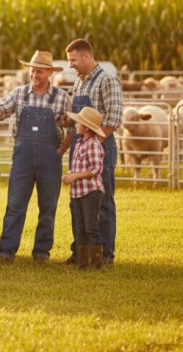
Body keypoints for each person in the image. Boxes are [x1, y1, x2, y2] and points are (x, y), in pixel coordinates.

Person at [0, 51, 71, 264]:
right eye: (33, 71)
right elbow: (0, 113)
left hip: (50, 159)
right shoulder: (19, 93)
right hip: (22, 158)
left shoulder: (62, 97)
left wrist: (60, 152)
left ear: (50, 73)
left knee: (48, 208)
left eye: (40, 71)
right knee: (15, 205)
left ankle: (41, 253)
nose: (35, 75)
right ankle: (6, 252)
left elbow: (73, 127)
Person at [65, 39, 123, 266]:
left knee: (102, 201)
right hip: (80, 147)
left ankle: (105, 253)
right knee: (77, 201)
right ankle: (80, 252)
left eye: (73, 60)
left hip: (101, 147)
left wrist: (93, 145)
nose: (71, 65)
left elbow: (114, 118)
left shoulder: (107, 80)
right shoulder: (79, 83)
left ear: (86, 56)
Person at [62, 106, 106, 271]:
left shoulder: (93, 145)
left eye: (78, 122)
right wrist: (70, 176)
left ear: (86, 127)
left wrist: (75, 176)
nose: (76, 124)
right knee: (80, 228)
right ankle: (82, 264)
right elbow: (81, 166)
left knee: (90, 227)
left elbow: (95, 169)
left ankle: (96, 264)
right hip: (78, 192)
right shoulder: (80, 143)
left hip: (90, 192)